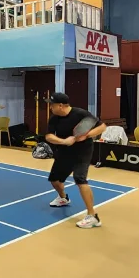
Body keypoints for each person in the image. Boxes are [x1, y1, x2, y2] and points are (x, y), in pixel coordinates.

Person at [44, 92, 108, 229]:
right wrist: (64, 141)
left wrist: (86, 135)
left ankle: (93, 216)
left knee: (80, 178)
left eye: (52, 104)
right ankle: (63, 198)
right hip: (64, 151)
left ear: (60, 105)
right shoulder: (54, 118)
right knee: (55, 180)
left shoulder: (80, 114)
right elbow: (49, 136)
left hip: (82, 151)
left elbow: (102, 127)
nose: (50, 107)